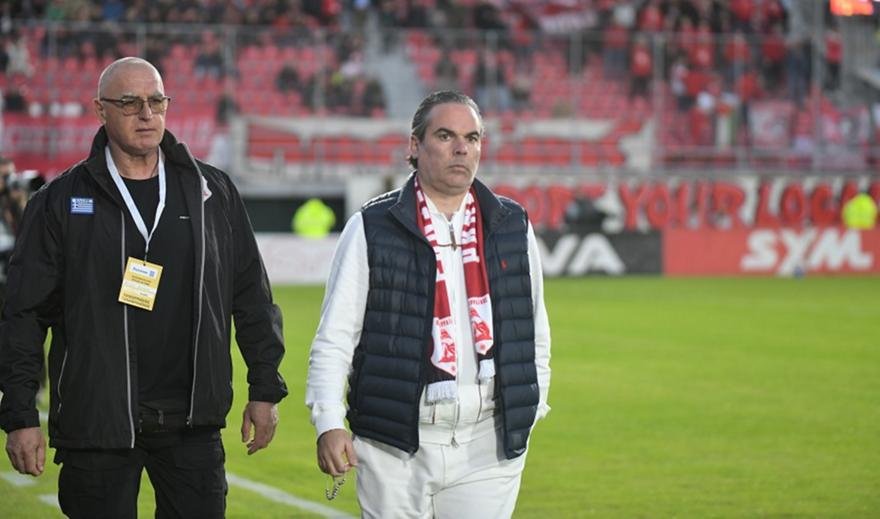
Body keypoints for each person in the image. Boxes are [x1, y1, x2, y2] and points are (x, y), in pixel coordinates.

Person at [0, 57, 287, 519]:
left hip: (192, 421)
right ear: (101, 109)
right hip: (97, 422)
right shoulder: (59, 201)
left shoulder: (212, 192)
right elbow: (23, 316)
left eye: (157, 101)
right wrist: (20, 415)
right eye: (130, 102)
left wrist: (265, 387)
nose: (147, 114)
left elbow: (252, 296)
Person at [306, 90, 551, 518]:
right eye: (445, 135)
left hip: (488, 442)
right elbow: (336, 336)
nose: (461, 149)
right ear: (415, 145)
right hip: (393, 443)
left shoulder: (511, 224)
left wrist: (531, 407)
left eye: (472, 138)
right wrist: (328, 420)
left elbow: (533, 328)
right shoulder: (372, 227)